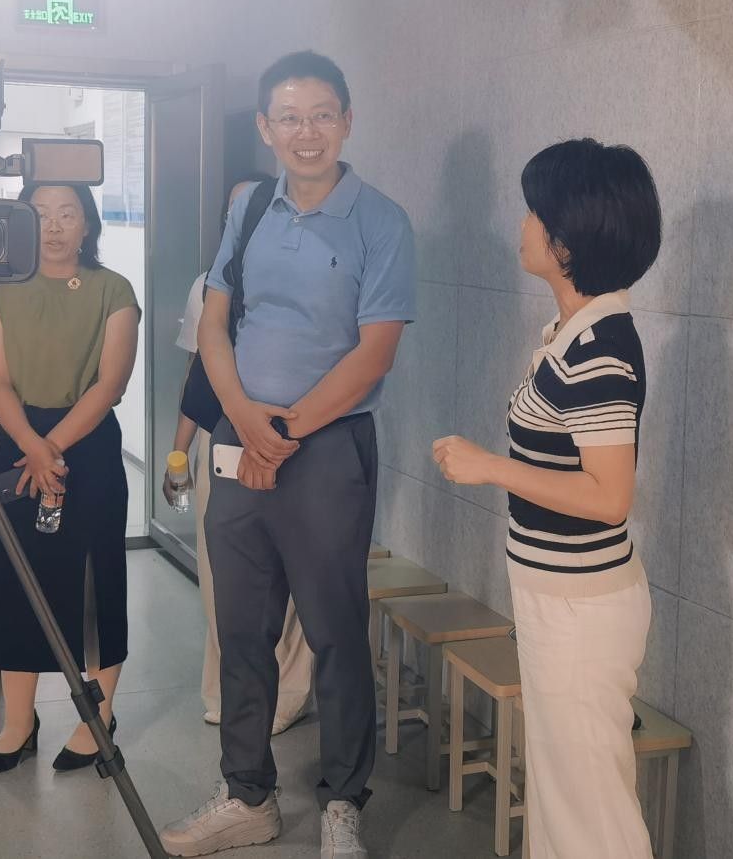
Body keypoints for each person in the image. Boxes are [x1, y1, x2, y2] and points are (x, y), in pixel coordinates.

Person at [160, 51, 415, 859]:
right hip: (241, 442)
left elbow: (374, 354)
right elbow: (214, 322)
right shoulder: (251, 209)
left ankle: (342, 803)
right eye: (290, 118)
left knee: (336, 632)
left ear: (347, 121)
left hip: (328, 449)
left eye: (322, 115)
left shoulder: (382, 221)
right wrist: (243, 419)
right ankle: (247, 794)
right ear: (267, 128)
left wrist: (285, 432)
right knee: (241, 629)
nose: (307, 133)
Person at [432, 139, 663, 858]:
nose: (523, 225)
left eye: (534, 212)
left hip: (581, 609)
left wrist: (489, 468)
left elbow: (609, 497)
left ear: (568, 239)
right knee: (564, 803)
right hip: (556, 595)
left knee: (592, 816)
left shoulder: (600, 351)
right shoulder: (572, 334)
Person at [0, 182, 139, 775]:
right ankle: (19, 721)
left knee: (95, 579)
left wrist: (52, 449)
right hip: (20, 439)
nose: (53, 226)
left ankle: (97, 718)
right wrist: (33, 447)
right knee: (16, 575)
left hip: (88, 443)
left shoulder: (112, 289)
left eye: (67, 214)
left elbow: (110, 383)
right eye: (41, 215)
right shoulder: (2, 291)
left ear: (87, 224)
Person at [165, 173, 314, 731]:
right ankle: (227, 688)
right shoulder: (207, 284)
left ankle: (288, 693)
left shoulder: (308, 275)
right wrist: (178, 454)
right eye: (235, 211)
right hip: (222, 435)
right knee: (220, 570)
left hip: (296, 435)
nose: (245, 219)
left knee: (291, 575)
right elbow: (196, 372)